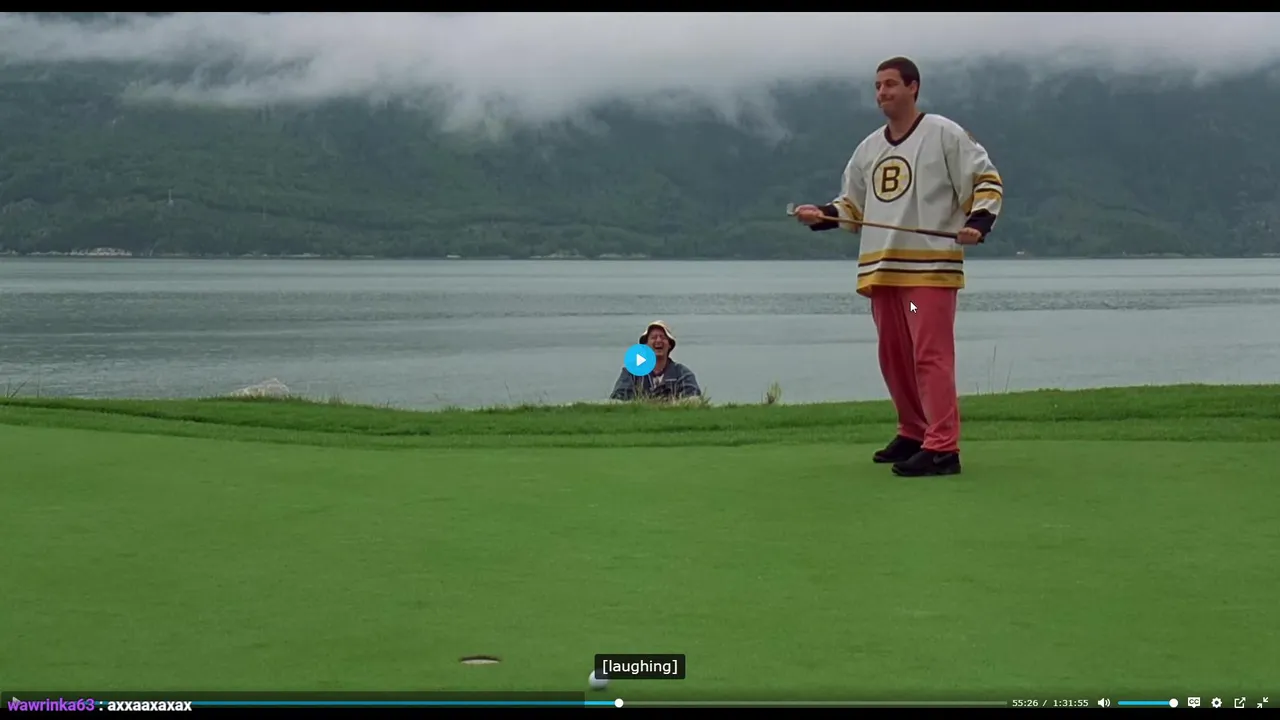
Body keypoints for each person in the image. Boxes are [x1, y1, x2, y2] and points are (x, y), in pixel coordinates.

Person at [793, 56, 1004, 477]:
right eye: (877, 86)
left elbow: (986, 179)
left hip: (927, 272)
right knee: (894, 357)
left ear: (913, 87)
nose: (882, 93)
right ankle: (913, 430)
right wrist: (822, 214)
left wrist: (979, 222)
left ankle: (942, 447)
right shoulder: (868, 149)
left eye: (890, 84)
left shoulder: (943, 133)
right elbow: (852, 206)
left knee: (929, 355)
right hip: (883, 272)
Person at [609, 320, 702, 401]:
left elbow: (693, 401)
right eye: (653, 337)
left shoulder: (683, 374)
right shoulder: (631, 373)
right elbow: (617, 400)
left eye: (663, 337)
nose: (658, 340)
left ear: (670, 345)